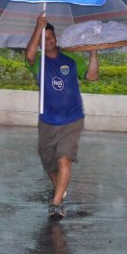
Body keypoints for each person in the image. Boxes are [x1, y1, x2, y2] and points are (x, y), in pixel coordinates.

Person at [25, 12, 99, 220]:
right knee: (48, 161)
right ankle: (60, 188)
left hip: (72, 119)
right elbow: (28, 55)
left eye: (51, 37)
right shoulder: (37, 61)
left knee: (64, 160)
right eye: (44, 38)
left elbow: (92, 77)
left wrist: (93, 54)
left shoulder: (71, 58)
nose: (49, 41)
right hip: (47, 120)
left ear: (56, 38)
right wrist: (38, 27)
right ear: (39, 42)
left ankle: (56, 204)